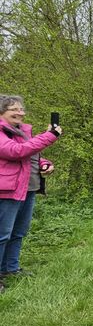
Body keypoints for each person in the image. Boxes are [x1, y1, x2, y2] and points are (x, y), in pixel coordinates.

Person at [0, 95, 61, 294]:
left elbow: (31, 155)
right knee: (2, 235)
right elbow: (15, 152)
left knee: (18, 233)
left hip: (28, 187)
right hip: (6, 190)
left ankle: (10, 269)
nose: (20, 112)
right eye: (13, 109)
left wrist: (44, 164)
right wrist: (49, 136)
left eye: (21, 109)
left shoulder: (22, 131)